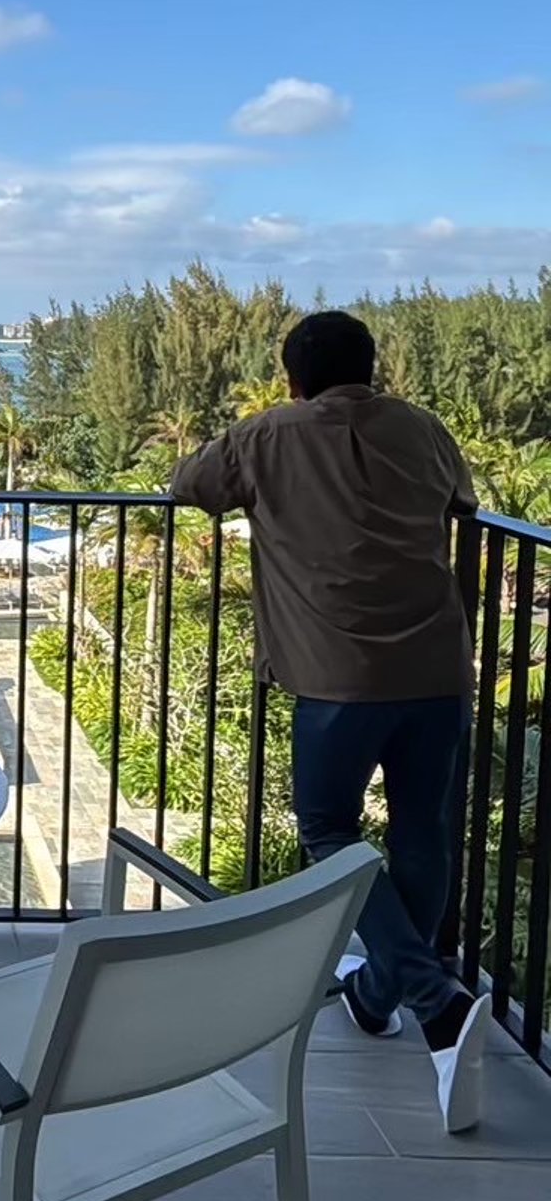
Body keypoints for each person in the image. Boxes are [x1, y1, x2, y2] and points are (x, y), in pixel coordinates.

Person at [169, 308, 488, 1132]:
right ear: (371, 368)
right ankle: (379, 995)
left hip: (337, 677)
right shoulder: (424, 429)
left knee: (328, 830)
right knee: (422, 831)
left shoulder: (267, 435)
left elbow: (188, 484)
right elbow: (463, 502)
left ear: (294, 377)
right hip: (436, 668)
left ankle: (434, 999)